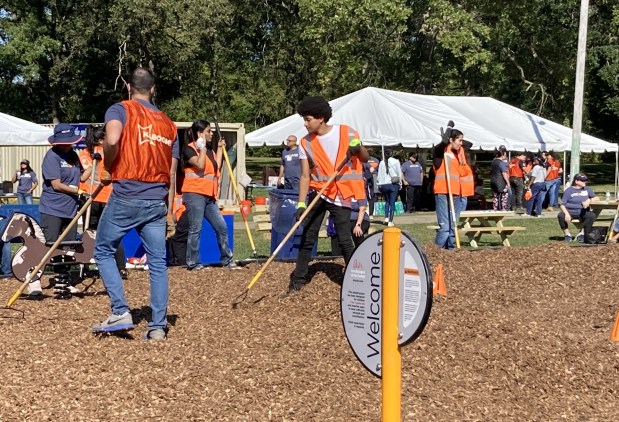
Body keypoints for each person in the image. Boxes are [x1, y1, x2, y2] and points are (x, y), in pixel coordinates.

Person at [92, 67, 179, 341]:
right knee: (157, 263)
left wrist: (107, 165)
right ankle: (157, 326)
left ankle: (120, 311)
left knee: (104, 249)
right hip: (157, 199)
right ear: (153, 89)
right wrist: (171, 210)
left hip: (127, 194)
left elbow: (113, 138)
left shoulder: (120, 109)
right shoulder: (168, 123)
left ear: (129, 87)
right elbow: (173, 171)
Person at [290, 95, 368, 293]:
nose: (305, 124)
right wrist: (301, 204)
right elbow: (305, 176)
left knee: (344, 238)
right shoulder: (305, 142)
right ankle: (297, 281)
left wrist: (357, 148)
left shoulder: (348, 133)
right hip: (319, 192)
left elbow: (365, 158)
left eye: (308, 119)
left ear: (321, 118)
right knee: (308, 237)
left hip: (341, 194)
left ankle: (355, 282)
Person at [34, 123, 92, 295]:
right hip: (52, 208)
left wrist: (93, 165)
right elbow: (57, 185)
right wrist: (78, 191)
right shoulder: (51, 157)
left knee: (68, 246)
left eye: (70, 142)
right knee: (47, 245)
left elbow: (81, 177)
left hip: (70, 209)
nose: (68, 145)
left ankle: (63, 281)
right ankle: (34, 279)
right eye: (65, 142)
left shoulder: (73, 156)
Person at [181, 119, 237, 271]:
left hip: (209, 196)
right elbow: (199, 165)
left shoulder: (210, 151)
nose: (211, 134)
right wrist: (202, 147)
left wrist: (218, 149)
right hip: (194, 193)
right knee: (195, 228)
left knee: (221, 227)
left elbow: (216, 166)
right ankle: (193, 263)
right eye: (208, 131)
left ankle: (227, 259)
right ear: (200, 134)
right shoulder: (189, 149)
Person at [79, 125, 128, 279]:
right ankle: (85, 264)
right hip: (90, 197)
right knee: (89, 233)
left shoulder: (111, 153)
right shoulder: (85, 154)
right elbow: (84, 177)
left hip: (107, 197)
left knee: (111, 233)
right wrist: (95, 161)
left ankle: (120, 266)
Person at [432, 122, 468, 250]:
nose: (461, 143)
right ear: (451, 140)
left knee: (454, 226)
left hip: (456, 193)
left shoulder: (459, 154)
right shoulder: (440, 153)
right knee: (445, 228)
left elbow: (469, 145)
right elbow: (439, 147)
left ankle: (452, 251)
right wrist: (448, 131)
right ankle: (435, 252)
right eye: (459, 140)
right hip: (443, 192)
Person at [557, 173, 599, 242]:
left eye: (585, 180)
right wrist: (567, 214)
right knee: (561, 215)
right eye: (582, 181)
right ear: (576, 181)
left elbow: (597, 198)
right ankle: (567, 235)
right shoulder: (569, 190)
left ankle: (582, 234)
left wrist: (589, 200)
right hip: (570, 212)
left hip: (582, 212)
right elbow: (562, 205)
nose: (584, 182)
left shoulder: (587, 189)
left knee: (591, 215)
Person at [377, 147, 402, 226]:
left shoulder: (381, 162)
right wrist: (400, 183)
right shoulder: (396, 161)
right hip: (393, 184)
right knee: (392, 202)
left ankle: (386, 217)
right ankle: (390, 221)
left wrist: (379, 184)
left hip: (383, 185)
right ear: (392, 153)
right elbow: (399, 173)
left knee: (387, 201)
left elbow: (379, 175)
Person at [490, 145, 511, 211]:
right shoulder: (501, 163)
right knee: (504, 196)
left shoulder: (494, 161)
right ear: (504, 153)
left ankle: (495, 209)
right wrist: (508, 183)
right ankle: (503, 209)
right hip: (500, 182)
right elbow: (504, 173)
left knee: (495, 196)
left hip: (493, 181)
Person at [362, 149, 380, 220]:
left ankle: (370, 214)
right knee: (368, 197)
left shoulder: (374, 160)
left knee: (370, 196)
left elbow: (374, 169)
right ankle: (368, 214)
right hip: (367, 179)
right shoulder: (365, 160)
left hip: (370, 180)